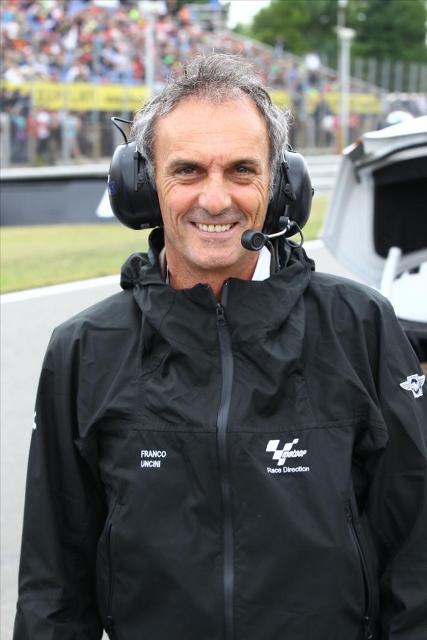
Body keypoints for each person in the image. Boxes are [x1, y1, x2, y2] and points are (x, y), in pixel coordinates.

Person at [14, 54, 427, 640]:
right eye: (187, 171)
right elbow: (52, 593)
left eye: (241, 170)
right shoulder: (83, 350)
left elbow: (417, 560)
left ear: (279, 186)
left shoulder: (361, 326)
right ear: (142, 185)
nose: (215, 199)